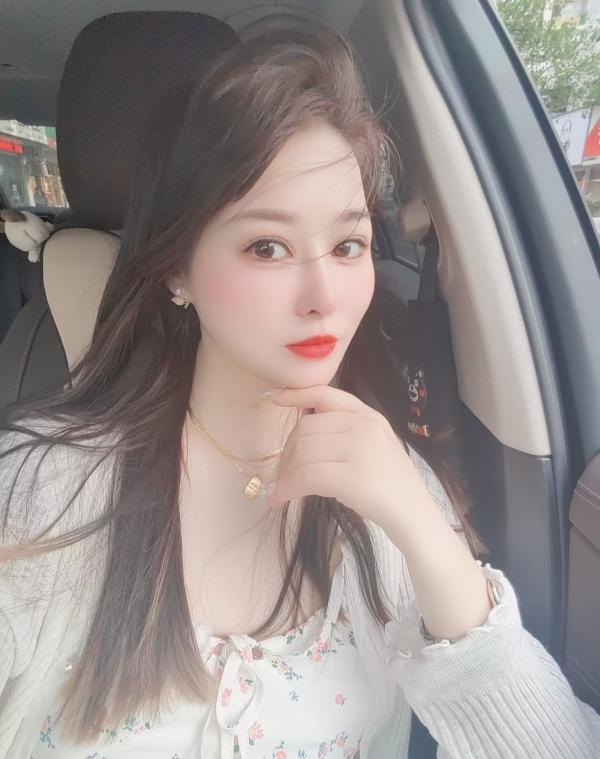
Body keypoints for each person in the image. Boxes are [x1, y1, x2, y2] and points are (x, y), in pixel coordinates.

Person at [0, 26, 598, 759]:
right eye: (268, 246)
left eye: (347, 245)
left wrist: (427, 537)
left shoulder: (389, 487)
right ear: (176, 269)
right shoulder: (43, 490)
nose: (324, 297)